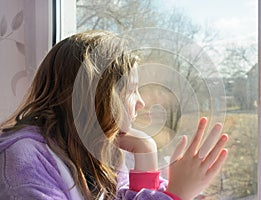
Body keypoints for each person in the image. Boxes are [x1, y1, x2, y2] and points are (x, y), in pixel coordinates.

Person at [0, 30, 228, 200]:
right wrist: (176, 194)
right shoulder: (22, 159)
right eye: (131, 90)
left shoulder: (105, 156)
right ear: (96, 98)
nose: (141, 102)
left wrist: (146, 154)